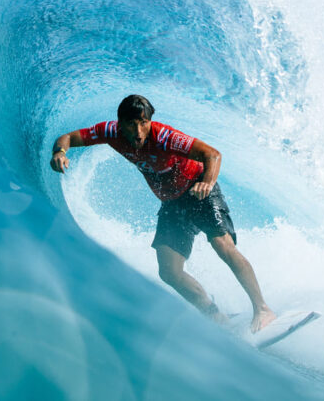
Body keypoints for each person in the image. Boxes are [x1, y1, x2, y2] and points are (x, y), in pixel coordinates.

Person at [50, 94, 277, 333]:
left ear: (150, 121)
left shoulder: (165, 137)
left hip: (199, 190)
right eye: (131, 124)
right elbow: (68, 137)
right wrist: (59, 153)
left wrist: (207, 183)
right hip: (172, 203)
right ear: (120, 123)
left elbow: (212, 154)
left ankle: (262, 309)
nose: (138, 131)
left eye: (143, 123)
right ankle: (215, 316)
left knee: (223, 245)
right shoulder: (110, 132)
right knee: (169, 272)